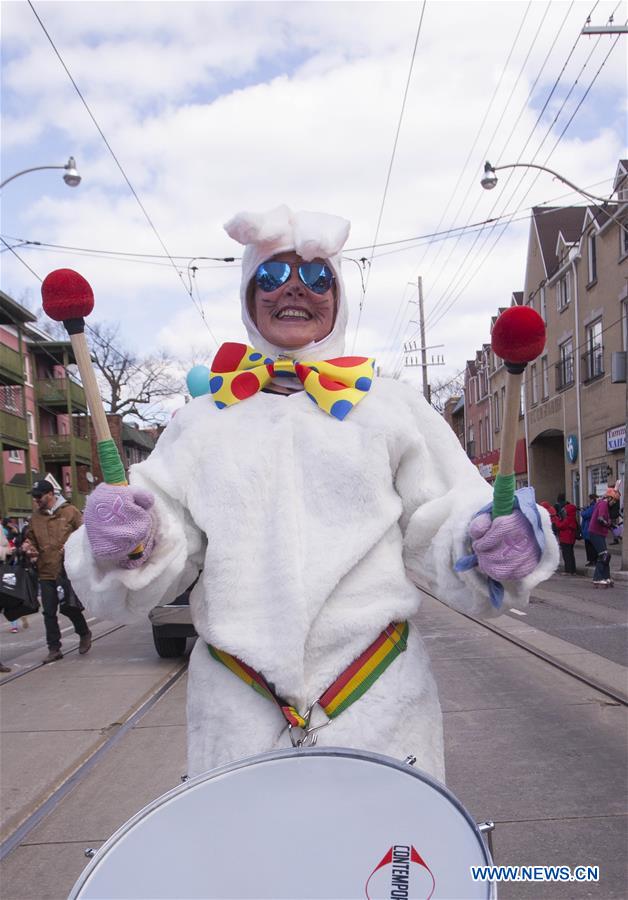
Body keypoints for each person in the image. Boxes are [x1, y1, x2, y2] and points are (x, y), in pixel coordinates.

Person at [65, 206, 558, 784]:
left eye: (317, 277)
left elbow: (446, 517)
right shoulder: (199, 424)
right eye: (271, 276)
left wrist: (494, 538)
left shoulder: (394, 408)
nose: (294, 290)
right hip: (238, 705)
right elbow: (159, 537)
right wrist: (131, 539)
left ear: (339, 294)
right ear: (249, 295)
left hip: (376, 695)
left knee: (387, 870)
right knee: (249, 873)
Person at [25, 480, 92, 663]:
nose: (36, 500)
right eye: (34, 497)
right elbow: (30, 540)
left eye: (39, 496)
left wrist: (72, 546)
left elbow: (86, 535)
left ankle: (84, 632)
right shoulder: (35, 518)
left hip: (66, 570)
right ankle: (54, 648)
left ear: (50, 494)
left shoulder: (70, 512)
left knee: (69, 607)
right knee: (48, 611)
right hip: (45, 570)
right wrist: (29, 548)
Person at [588, 491, 614, 587]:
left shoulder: (604, 504)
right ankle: (597, 578)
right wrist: (608, 524)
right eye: (614, 500)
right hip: (595, 532)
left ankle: (606, 577)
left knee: (606, 555)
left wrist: (612, 526)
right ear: (610, 498)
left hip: (598, 533)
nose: (614, 503)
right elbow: (600, 519)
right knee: (604, 555)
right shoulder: (603, 504)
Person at [554, 501, 578, 575]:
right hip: (570, 539)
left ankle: (568, 570)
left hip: (566, 539)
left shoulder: (568, 519)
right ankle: (572, 570)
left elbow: (561, 526)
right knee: (570, 555)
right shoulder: (572, 518)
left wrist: (557, 520)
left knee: (567, 555)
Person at [580, 494, 598, 566]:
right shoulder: (592, 506)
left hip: (589, 529)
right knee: (591, 546)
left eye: (589, 499)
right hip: (589, 529)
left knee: (590, 547)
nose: (588, 500)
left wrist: (582, 511)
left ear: (592, 499)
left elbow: (585, 514)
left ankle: (592, 560)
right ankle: (593, 560)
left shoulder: (593, 507)